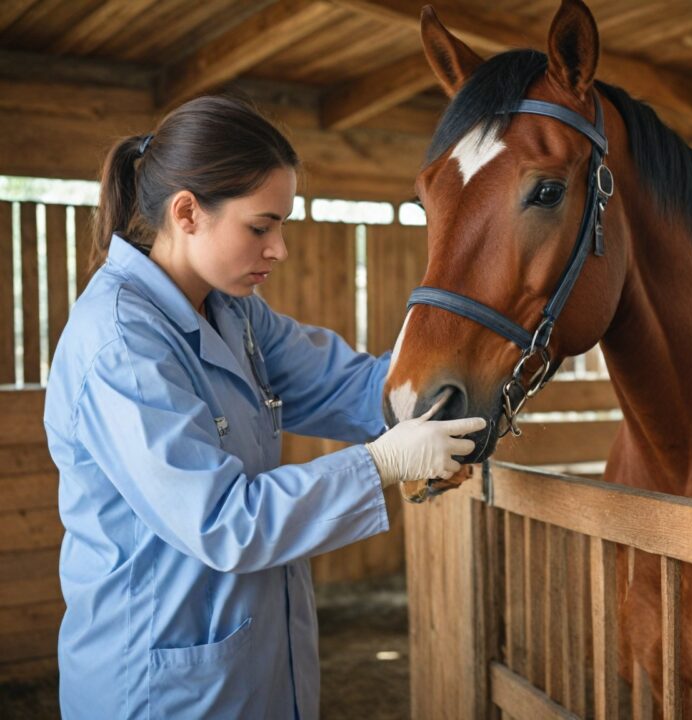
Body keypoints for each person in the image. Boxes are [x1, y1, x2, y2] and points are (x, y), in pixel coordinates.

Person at [43, 94, 485, 719]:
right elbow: (224, 521)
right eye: (261, 226)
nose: (278, 248)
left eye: (282, 225)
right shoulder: (119, 345)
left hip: (249, 665)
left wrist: (449, 391)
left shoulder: (234, 312)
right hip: (158, 682)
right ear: (188, 212)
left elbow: (345, 385)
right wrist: (380, 464)